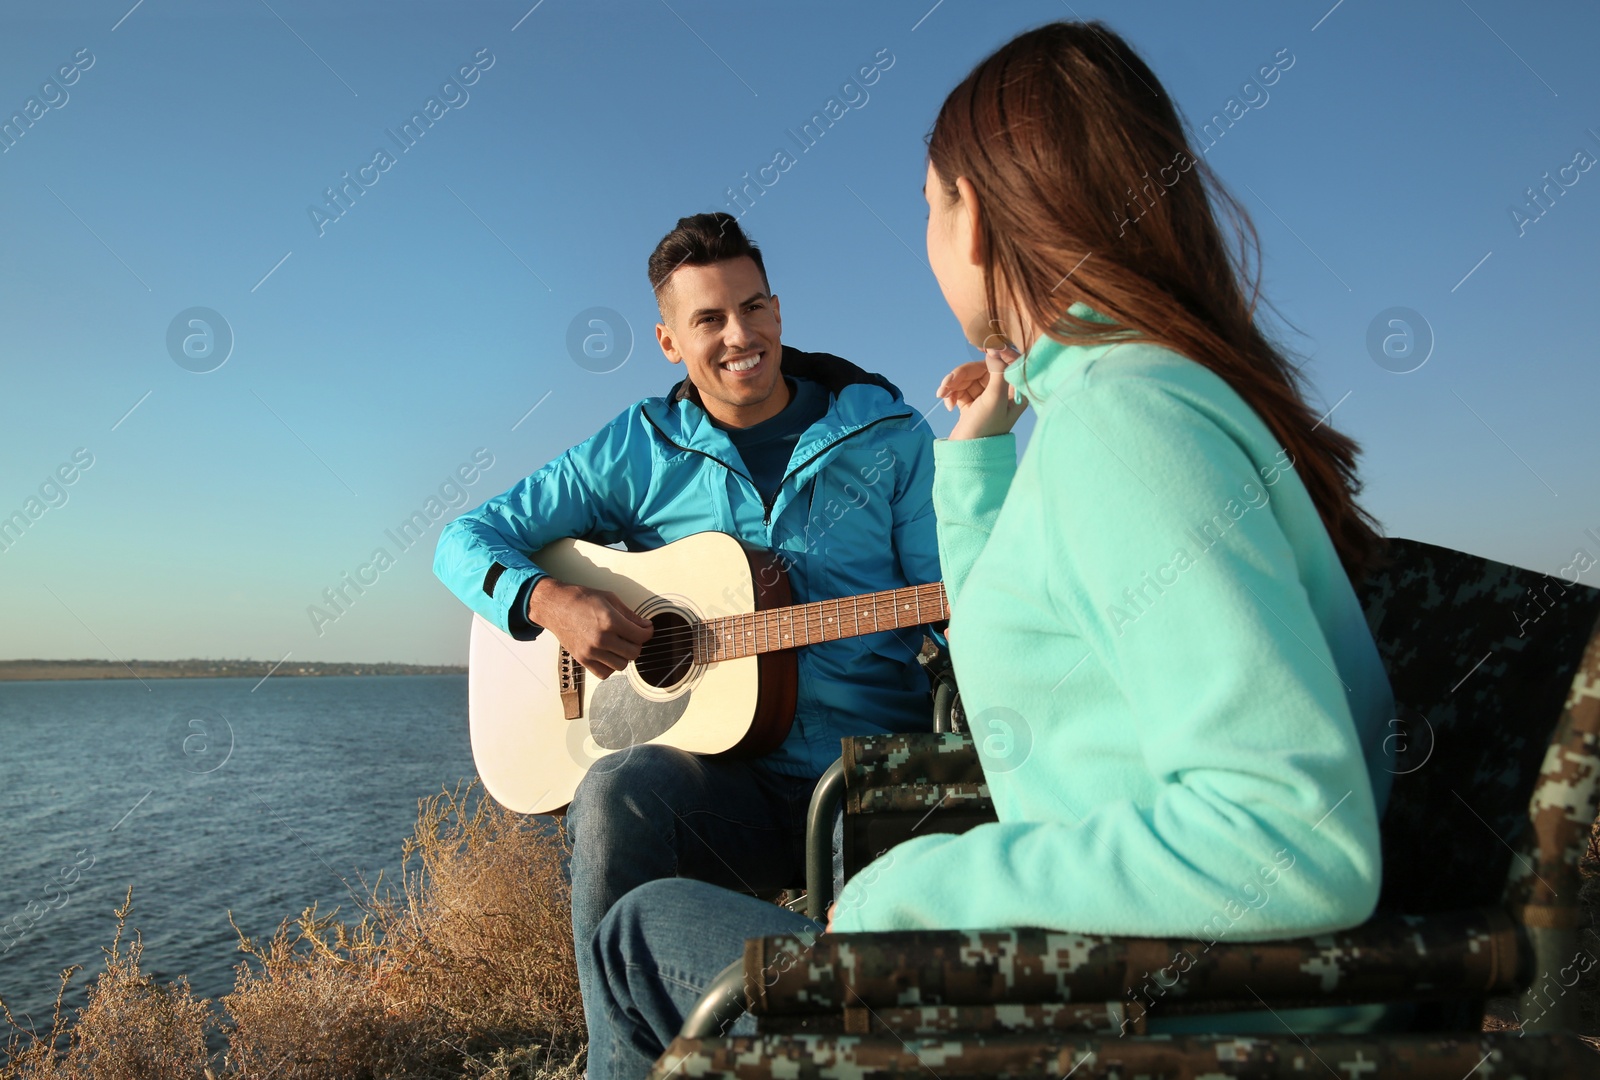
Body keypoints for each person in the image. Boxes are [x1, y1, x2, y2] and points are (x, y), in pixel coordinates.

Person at [580, 20, 1400, 1078]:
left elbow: (1285, 840)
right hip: (1128, 986)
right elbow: (1030, 647)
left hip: (1151, 1027)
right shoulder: (1128, 402)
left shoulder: (1130, 425)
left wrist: (914, 895)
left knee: (638, 937)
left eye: (928, 206)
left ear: (974, 222)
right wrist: (977, 449)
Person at [431, 212, 944, 1026]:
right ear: (670, 341)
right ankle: (625, 1055)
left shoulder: (890, 435)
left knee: (852, 998)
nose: (740, 334)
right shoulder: (638, 448)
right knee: (615, 793)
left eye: (755, 308)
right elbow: (462, 542)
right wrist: (551, 602)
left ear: (778, 310)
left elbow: (954, 598)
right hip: (726, 779)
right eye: (709, 318)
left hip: (867, 778)